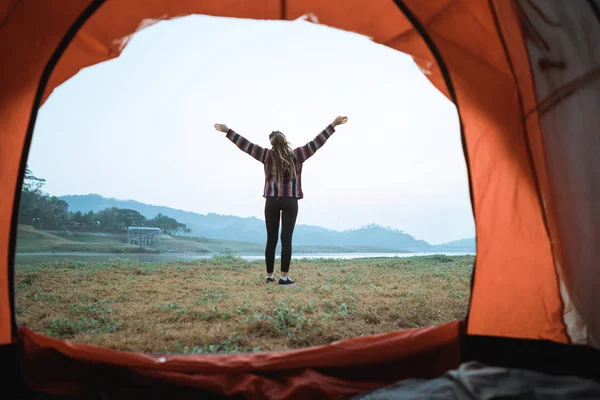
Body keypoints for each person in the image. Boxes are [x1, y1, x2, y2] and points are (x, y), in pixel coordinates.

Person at [213, 116, 348, 286]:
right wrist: (333, 124)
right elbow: (317, 142)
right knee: (286, 239)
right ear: (285, 141)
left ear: (272, 144)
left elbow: (245, 145)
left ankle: (270, 276)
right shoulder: (298, 155)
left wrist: (228, 131)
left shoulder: (266, 155)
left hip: (271, 200)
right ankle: (284, 278)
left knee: (271, 239)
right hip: (290, 201)